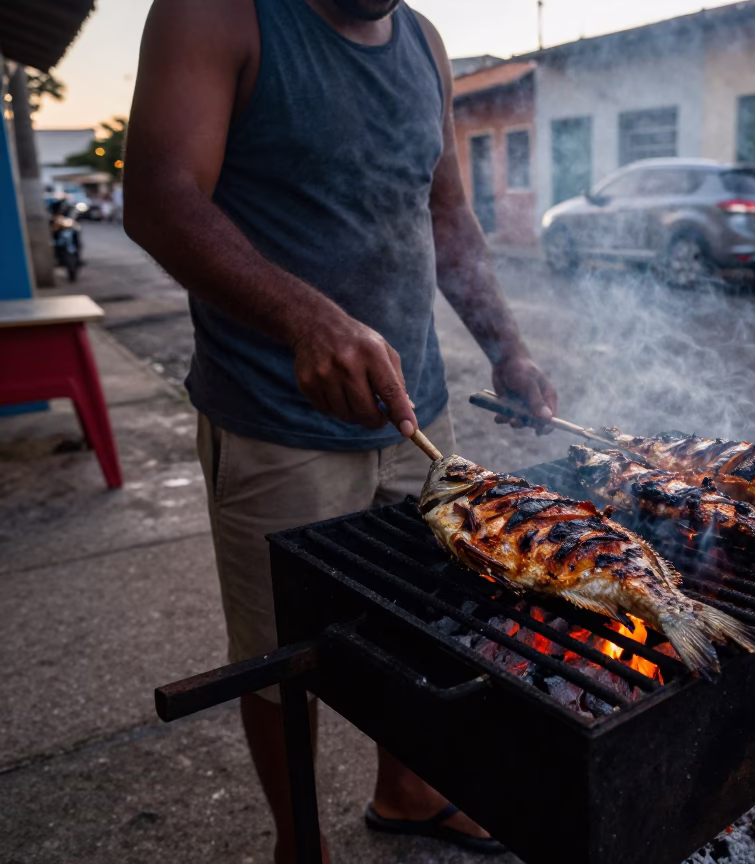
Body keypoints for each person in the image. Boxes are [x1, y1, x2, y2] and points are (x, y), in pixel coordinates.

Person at [122, 1, 557, 861]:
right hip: (275, 418)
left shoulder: (425, 41)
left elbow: (447, 214)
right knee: (286, 656)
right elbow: (160, 196)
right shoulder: (216, 12)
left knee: (425, 616)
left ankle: (405, 790)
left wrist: (507, 352)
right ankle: (301, 844)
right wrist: (305, 319)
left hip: (418, 406)